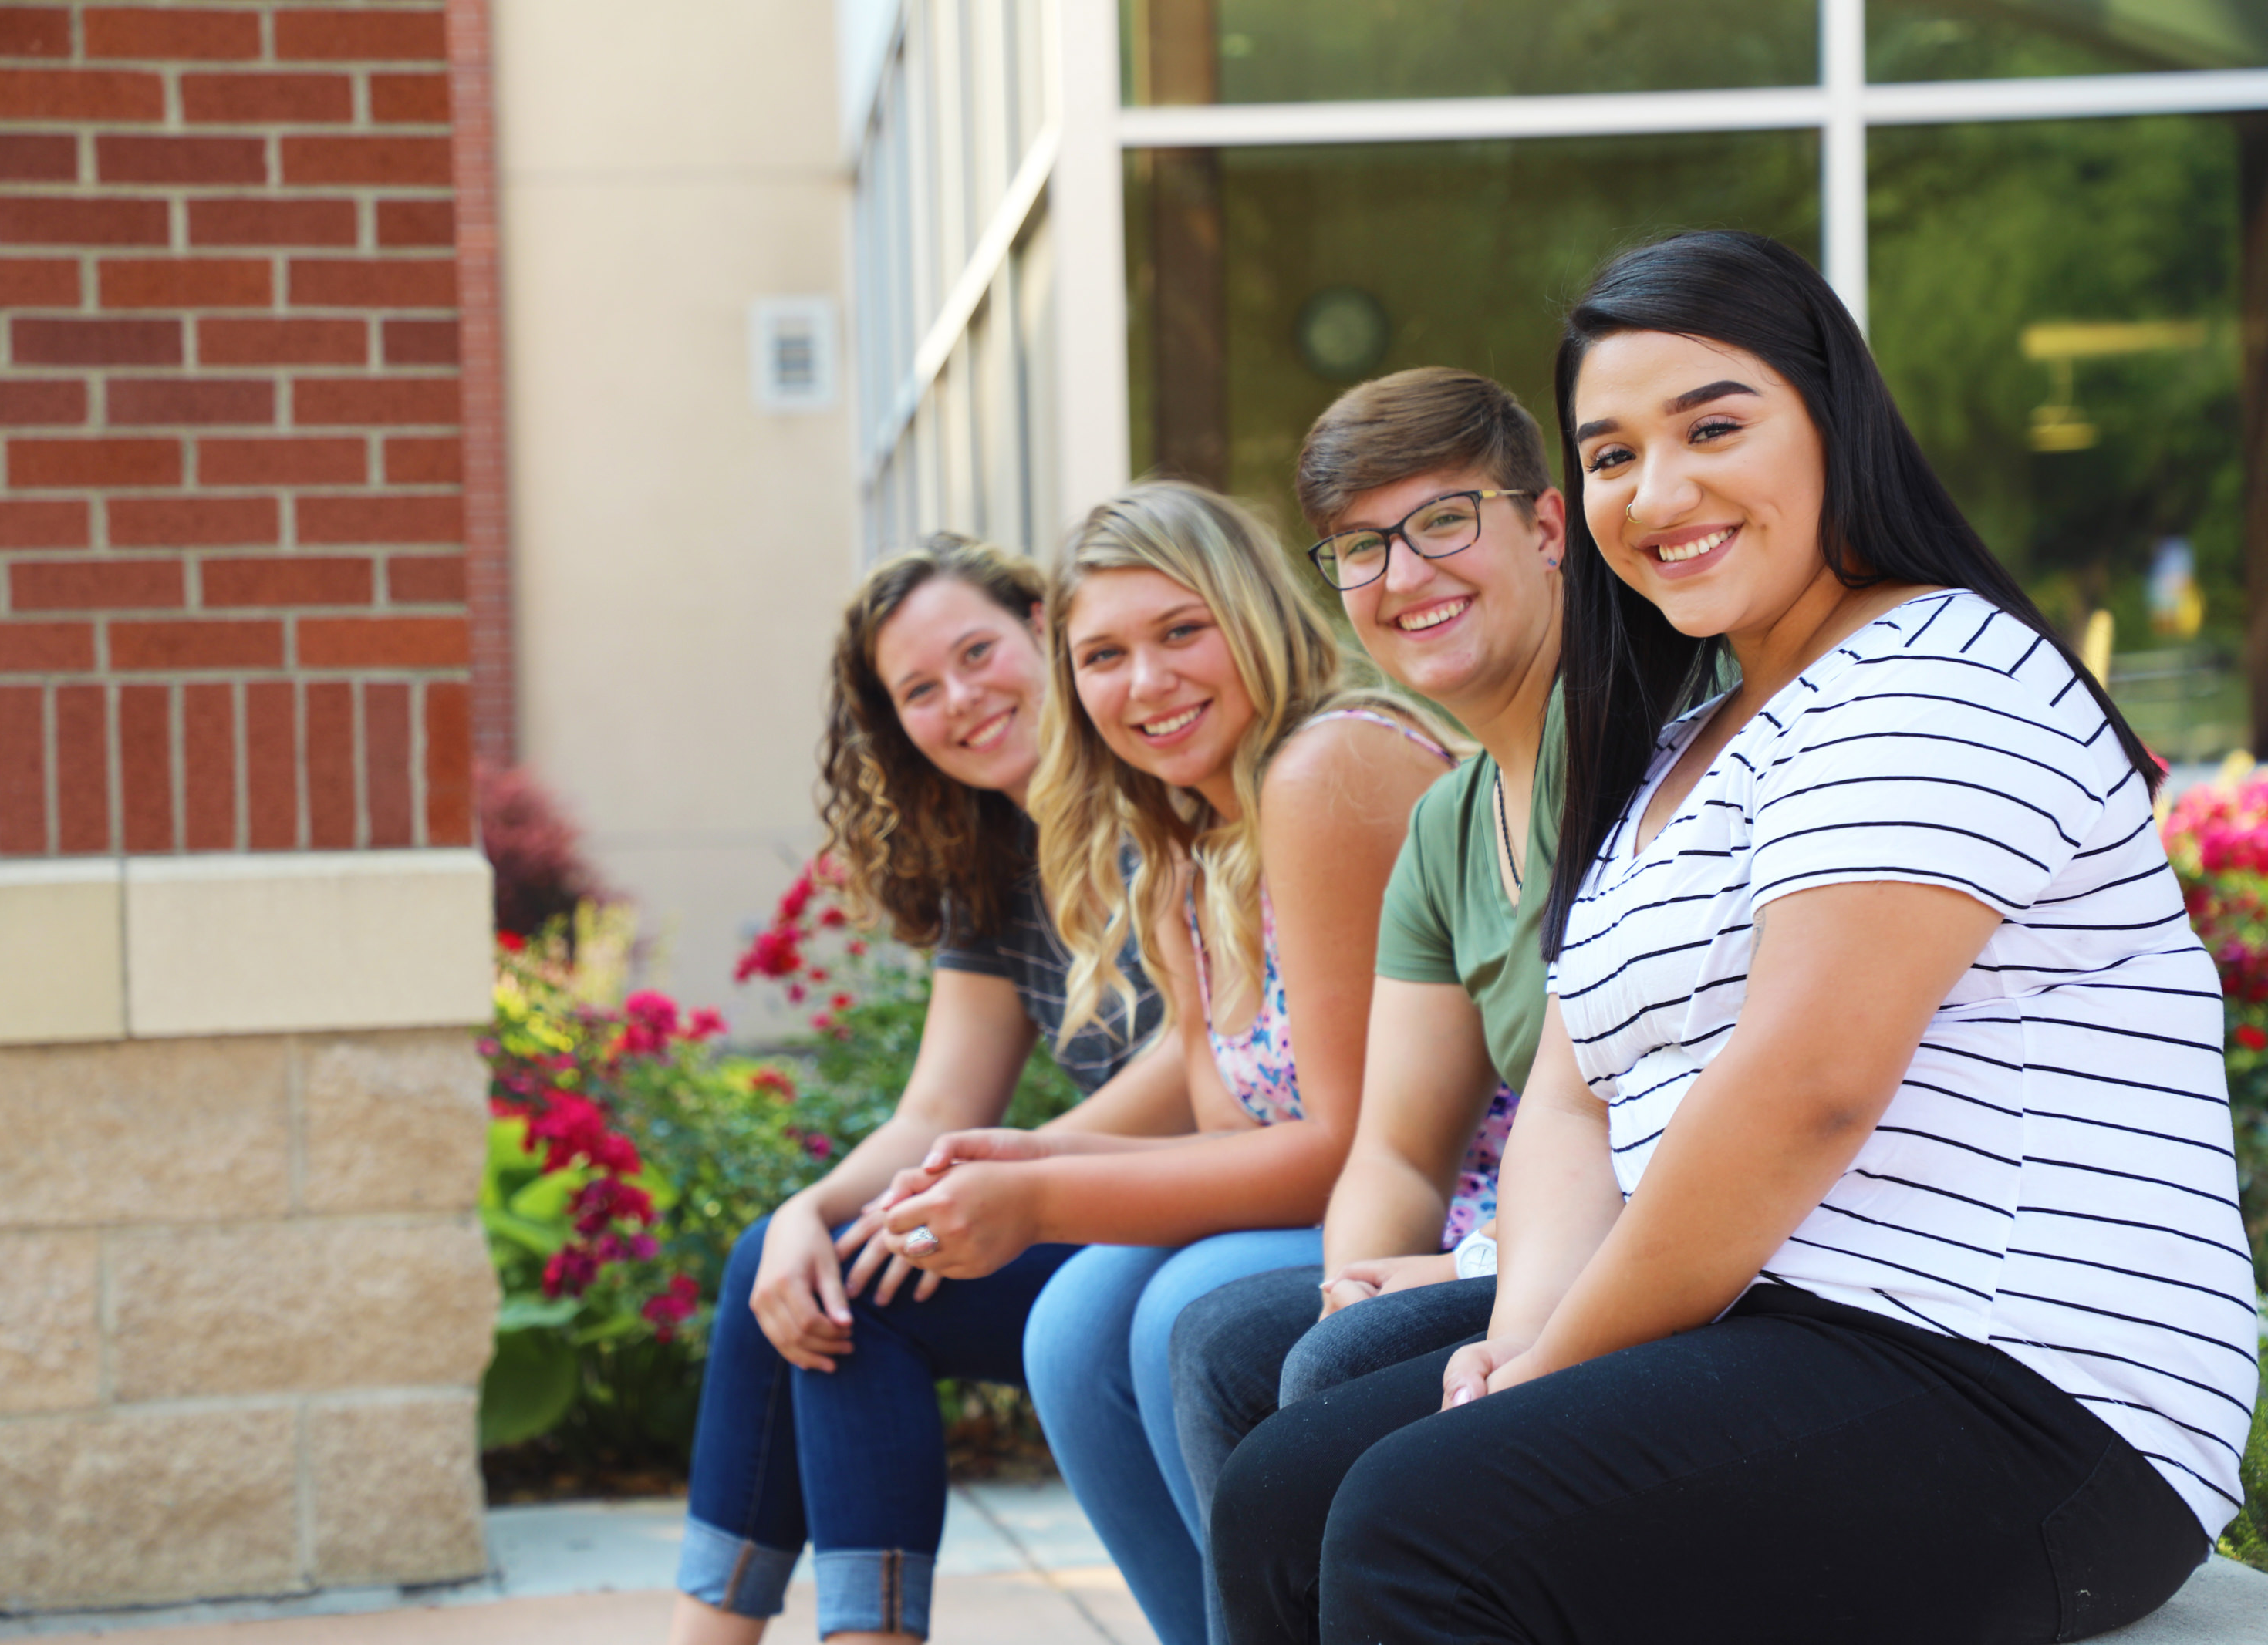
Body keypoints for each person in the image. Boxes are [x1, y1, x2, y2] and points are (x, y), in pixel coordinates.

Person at [1213, 230, 2258, 1645]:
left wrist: (1553, 1365)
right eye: (1613, 453)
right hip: (1781, 1331)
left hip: (2031, 1392)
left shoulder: (1936, 672)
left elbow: (1802, 1089)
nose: (1662, 489)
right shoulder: (1683, 747)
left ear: (1834, 421)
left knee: (1420, 1522)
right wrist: (1525, 1331)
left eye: (1714, 426)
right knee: (1283, 1492)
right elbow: (1574, 1102)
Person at [873, 480, 1451, 1645]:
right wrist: (1019, 1156)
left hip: (1463, 1196)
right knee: (1071, 1317)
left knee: (1177, 1305)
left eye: (1181, 632)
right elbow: (1223, 1114)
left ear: (1251, 617)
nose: (1146, 684)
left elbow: (1347, 1147)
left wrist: (1040, 1191)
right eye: (1103, 655)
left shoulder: (1323, 769)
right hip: (1352, 1186)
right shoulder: (1185, 843)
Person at [670, 534, 1189, 1645]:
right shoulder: (995, 857)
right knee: (799, 1261)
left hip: (1223, 1188)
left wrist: (1019, 1173)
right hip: (1112, 1197)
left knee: (867, 1286)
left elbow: (1208, 1054)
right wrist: (806, 1213)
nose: (962, 698)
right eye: (920, 688)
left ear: (1042, 629)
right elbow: (938, 1111)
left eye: (977, 652)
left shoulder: (1164, 786)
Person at [1165, 368, 1566, 1561]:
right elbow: (1394, 1144)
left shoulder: (1645, 755)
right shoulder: (1448, 822)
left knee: (1314, 1381)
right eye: (1358, 547)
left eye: (1443, 521)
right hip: (1533, 1238)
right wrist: (1355, 1276)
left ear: (1547, 528)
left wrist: (1463, 1268)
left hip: (1662, 1256)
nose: (1402, 577)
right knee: (1239, 1340)